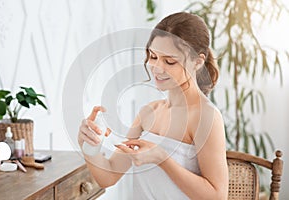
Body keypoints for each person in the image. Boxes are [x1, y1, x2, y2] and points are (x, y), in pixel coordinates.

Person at [78, 12, 228, 199]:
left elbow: (217, 195)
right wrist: (89, 145)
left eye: (169, 61)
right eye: (153, 56)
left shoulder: (205, 117)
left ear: (198, 62)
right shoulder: (148, 113)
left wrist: (162, 158)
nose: (157, 67)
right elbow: (109, 175)